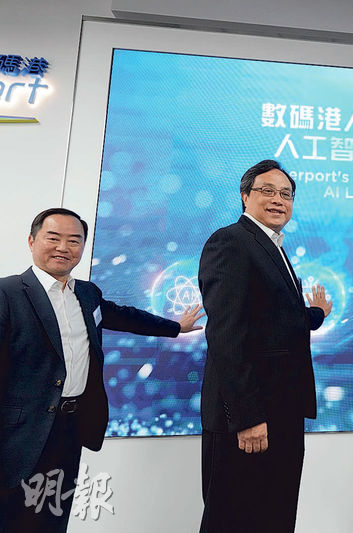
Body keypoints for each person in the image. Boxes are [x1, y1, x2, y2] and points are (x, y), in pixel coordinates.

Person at [0, 207, 204, 533]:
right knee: (12, 517)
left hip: (69, 427)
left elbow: (123, 316)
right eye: (53, 238)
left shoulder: (86, 293)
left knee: (52, 513)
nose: (63, 247)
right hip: (19, 433)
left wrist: (175, 327)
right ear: (31, 241)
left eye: (74, 240)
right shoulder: (7, 293)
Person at [198, 159, 331, 533]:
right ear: (245, 196)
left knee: (274, 515)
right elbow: (227, 336)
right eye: (267, 191)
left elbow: (275, 321)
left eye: (286, 194)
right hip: (250, 418)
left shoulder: (271, 247)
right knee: (233, 520)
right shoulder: (231, 242)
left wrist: (316, 314)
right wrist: (248, 417)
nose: (278, 200)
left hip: (281, 412)